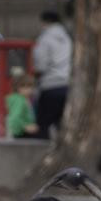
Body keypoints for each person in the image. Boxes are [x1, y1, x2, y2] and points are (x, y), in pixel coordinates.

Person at [32, 10, 72, 139]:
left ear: (45, 22)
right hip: (68, 84)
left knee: (43, 123)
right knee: (62, 124)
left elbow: (41, 65)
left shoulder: (45, 39)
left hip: (51, 85)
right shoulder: (68, 38)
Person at [5, 74, 41, 139]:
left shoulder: (25, 99)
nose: (29, 90)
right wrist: (25, 126)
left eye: (31, 87)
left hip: (23, 131)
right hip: (21, 132)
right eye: (24, 87)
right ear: (17, 88)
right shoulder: (19, 100)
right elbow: (14, 117)